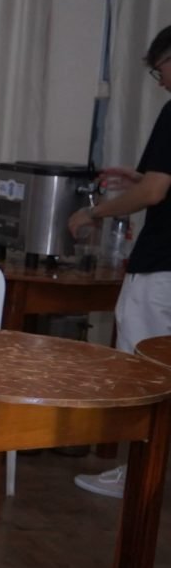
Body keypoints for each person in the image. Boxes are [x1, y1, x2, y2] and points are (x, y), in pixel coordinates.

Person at [68, 24, 171, 498]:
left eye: (159, 69)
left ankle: (139, 479)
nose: (161, 80)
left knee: (145, 372)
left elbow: (154, 192)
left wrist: (94, 212)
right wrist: (143, 178)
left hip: (161, 267)